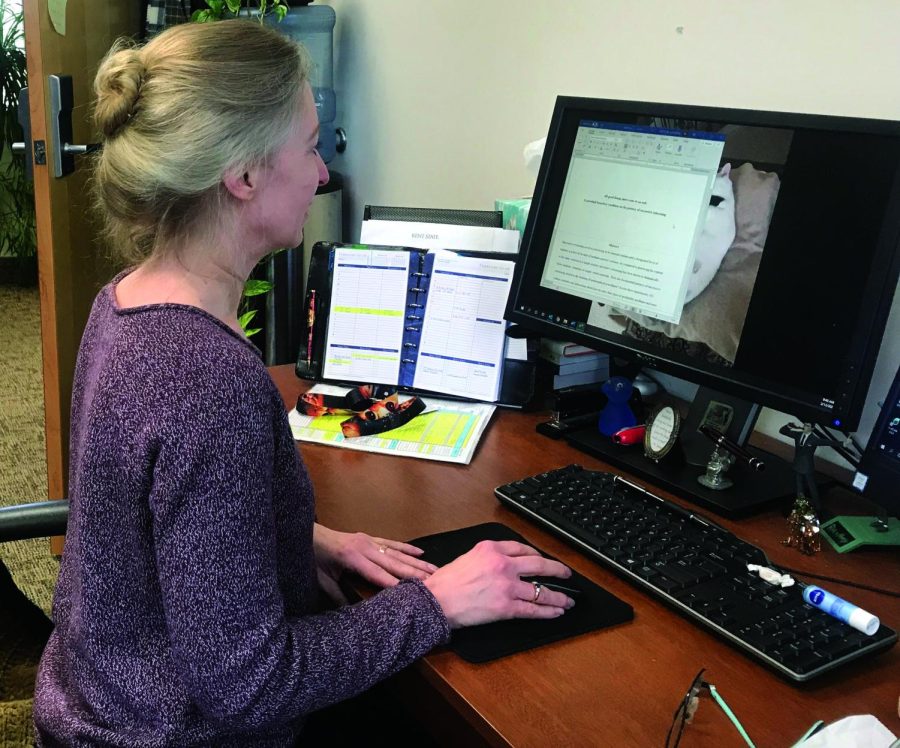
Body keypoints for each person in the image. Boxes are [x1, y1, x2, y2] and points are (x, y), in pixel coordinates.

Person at [33, 20, 574, 747]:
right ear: (245, 174)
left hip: (101, 704)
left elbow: (153, 521)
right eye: (311, 146)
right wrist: (438, 603)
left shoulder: (127, 302)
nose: (323, 174)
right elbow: (248, 684)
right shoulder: (207, 380)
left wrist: (303, 537)